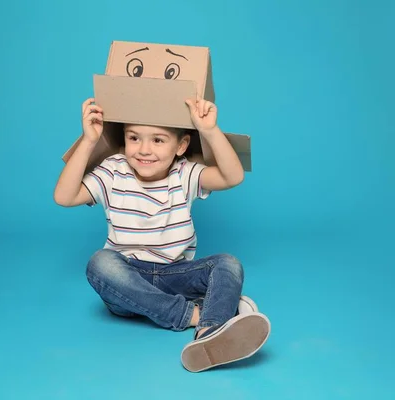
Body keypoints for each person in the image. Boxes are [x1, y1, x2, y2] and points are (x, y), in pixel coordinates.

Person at [54, 96, 271, 372]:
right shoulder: (113, 171)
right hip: (128, 280)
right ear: (123, 139)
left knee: (228, 263)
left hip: (175, 275)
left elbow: (232, 177)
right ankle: (203, 314)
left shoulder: (184, 174)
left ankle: (208, 335)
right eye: (134, 138)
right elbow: (64, 196)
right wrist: (88, 141)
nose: (144, 150)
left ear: (181, 146)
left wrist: (209, 130)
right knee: (100, 263)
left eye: (158, 140)